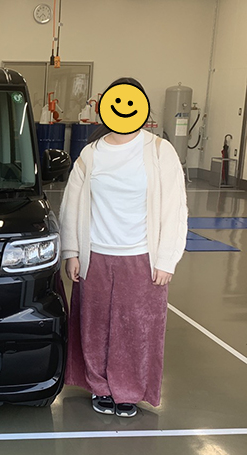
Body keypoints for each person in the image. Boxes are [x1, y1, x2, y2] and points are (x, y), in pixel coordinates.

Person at [59, 77, 188, 417]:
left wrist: (167, 259)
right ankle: (100, 386)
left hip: (141, 258)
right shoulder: (91, 154)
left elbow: (175, 207)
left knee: (136, 328)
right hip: (95, 256)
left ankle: (128, 389)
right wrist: (71, 252)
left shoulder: (160, 151)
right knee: (95, 325)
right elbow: (72, 204)